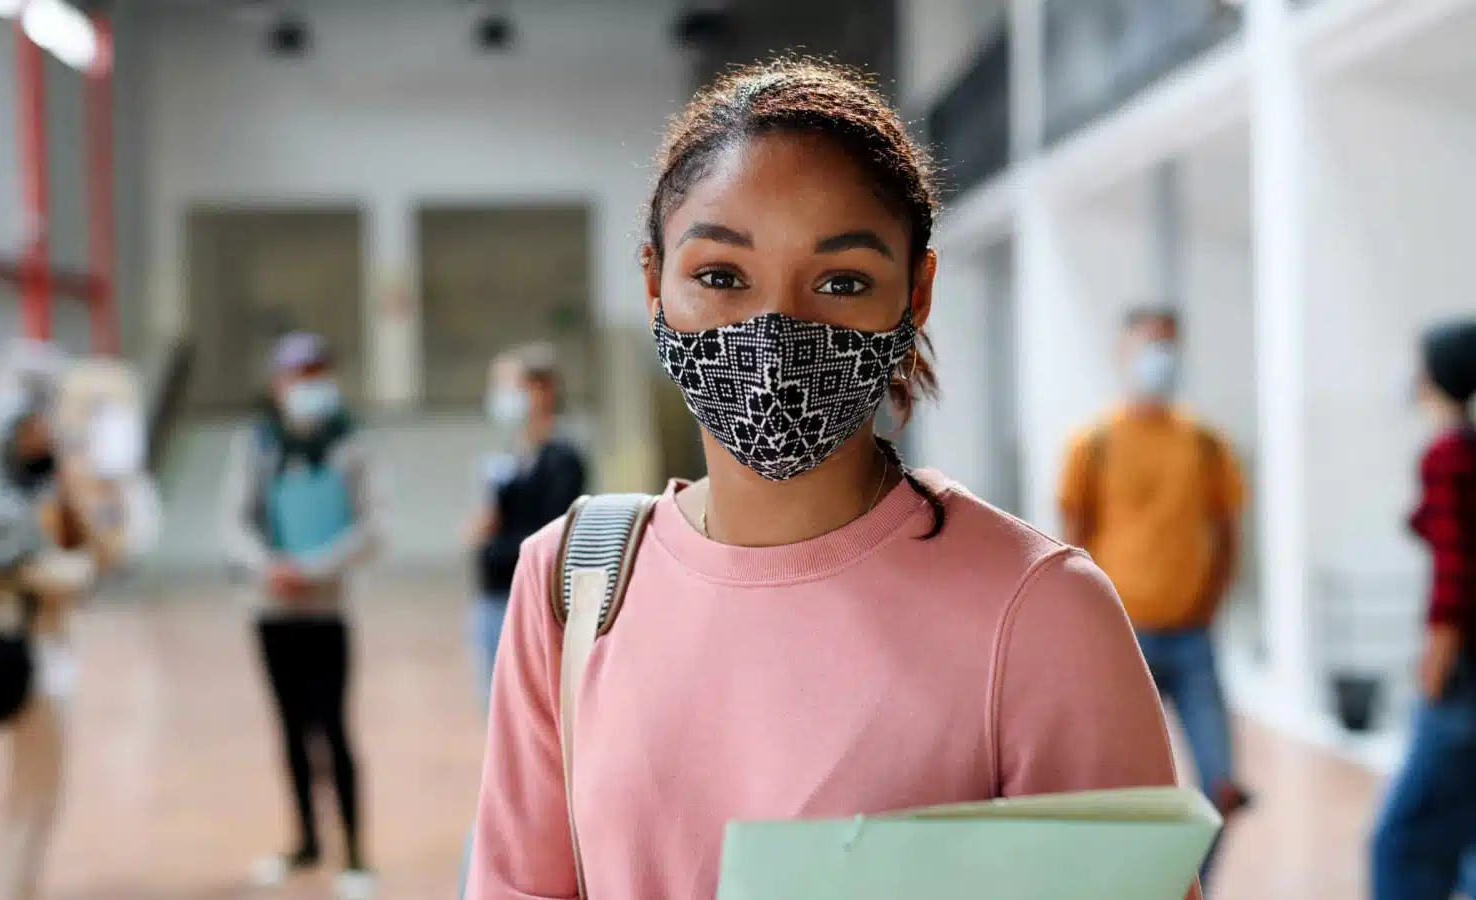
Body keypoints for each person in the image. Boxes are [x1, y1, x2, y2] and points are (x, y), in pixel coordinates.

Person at [466, 59, 1195, 900]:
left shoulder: (1039, 611)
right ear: (652, 285)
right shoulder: (573, 583)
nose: (775, 332)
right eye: (720, 276)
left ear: (915, 293)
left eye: (842, 281)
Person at [1057, 308, 1249, 873]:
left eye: (1169, 346)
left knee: (1220, 786)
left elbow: (1229, 534)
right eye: (1148, 346)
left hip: (1193, 642)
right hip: (1123, 641)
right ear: (1122, 353)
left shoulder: (1207, 443)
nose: (1159, 358)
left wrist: (1208, 603)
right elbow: (1072, 544)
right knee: (1113, 795)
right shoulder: (1092, 443)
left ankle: (1191, 888)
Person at [0, 342, 130, 900]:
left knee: (38, 797)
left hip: (48, 652)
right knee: (30, 799)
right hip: (25, 659)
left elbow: (95, 556)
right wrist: (78, 565)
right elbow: (51, 574)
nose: (46, 434)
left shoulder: (38, 495)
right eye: (33, 426)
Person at [223, 333, 382, 900]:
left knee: (333, 728)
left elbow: (371, 529)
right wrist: (268, 566)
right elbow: (235, 522)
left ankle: (355, 852)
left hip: (325, 610)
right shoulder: (257, 446)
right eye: (297, 375)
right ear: (277, 383)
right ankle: (306, 840)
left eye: (317, 373)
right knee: (289, 729)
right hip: (271, 609)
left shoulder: (350, 447)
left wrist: (313, 569)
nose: (307, 386)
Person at [1371, 319, 1476, 900]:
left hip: (1462, 671)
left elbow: (1455, 572)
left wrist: (1436, 658)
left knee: (1401, 843)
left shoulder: (1445, 453)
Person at [467, 343, 588, 704]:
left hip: (527, 597)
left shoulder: (563, 459)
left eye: (511, 385)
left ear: (542, 389)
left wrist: (492, 539)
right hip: (492, 594)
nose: (503, 396)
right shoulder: (511, 455)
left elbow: (550, 534)